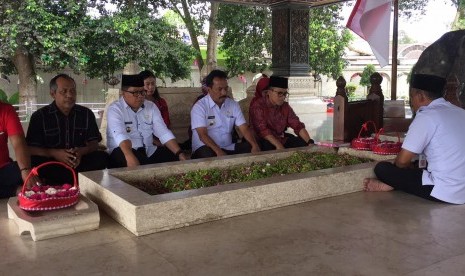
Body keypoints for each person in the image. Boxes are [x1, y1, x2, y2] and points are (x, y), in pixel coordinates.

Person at [363, 73, 465, 204]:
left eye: (412, 97)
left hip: (446, 191)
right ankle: (396, 184)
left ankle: (392, 185)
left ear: (421, 96)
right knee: (418, 165)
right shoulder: (460, 112)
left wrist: (402, 170)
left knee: (382, 169)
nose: (411, 103)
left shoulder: (426, 116)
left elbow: (402, 162)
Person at [26, 74, 108, 184]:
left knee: (101, 157)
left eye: (72, 91)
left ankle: (68, 182)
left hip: (79, 162)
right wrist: (55, 153)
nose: (69, 95)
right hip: (53, 163)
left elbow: (94, 143)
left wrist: (80, 152)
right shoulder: (40, 116)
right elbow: (30, 148)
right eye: (63, 91)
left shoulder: (86, 114)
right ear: (53, 94)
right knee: (35, 162)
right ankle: (69, 183)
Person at [106, 74, 187, 168]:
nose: (140, 96)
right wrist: (130, 157)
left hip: (149, 150)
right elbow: (120, 136)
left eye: (142, 92)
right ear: (123, 93)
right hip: (124, 150)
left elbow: (163, 132)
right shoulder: (115, 109)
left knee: (174, 158)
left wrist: (180, 153)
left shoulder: (151, 106)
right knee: (131, 159)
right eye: (135, 93)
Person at [190, 69, 260, 159]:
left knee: (250, 147)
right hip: (206, 148)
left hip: (227, 147)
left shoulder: (233, 104)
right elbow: (202, 135)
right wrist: (218, 151)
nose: (224, 92)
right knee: (208, 156)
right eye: (219, 89)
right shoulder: (199, 107)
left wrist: (254, 145)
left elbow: (244, 128)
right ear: (209, 89)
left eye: (226, 89)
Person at [249, 76, 315, 151]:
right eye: (280, 93)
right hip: (262, 140)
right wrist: (279, 146)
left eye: (285, 94)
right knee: (268, 147)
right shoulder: (258, 106)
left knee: (303, 143)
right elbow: (263, 130)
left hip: (280, 138)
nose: (283, 97)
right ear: (269, 92)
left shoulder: (285, 106)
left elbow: (297, 125)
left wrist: (310, 142)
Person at [0, 102, 35, 197]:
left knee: (35, 169)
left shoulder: (6, 110)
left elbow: (18, 143)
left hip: (3, 171)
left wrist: (26, 170)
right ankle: (14, 190)